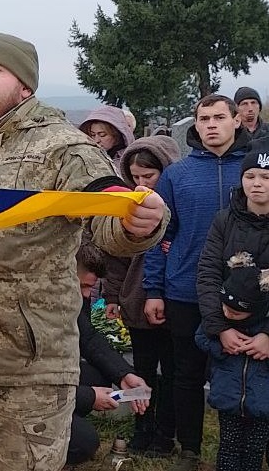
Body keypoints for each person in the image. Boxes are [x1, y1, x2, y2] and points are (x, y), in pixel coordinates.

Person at [0, 33, 168, 471]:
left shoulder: (62, 147)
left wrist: (137, 223)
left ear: (25, 86)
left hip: (25, 366)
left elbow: (107, 206)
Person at [143, 94, 250, 471]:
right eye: (204, 118)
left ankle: (238, 451)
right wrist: (154, 289)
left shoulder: (252, 171)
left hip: (245, 292)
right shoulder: (177, 174)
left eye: (219, 117)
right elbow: (157, 235)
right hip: (185, 289)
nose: (211, 125)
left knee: (240, 373)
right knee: (185, 374)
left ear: (237, 120)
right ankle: (189, 448)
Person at [102, 135, 182, 456]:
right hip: (135, 303)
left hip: (171, 301)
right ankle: (142, 428)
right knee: (142, 371)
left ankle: (166, 433)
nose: (141, 183)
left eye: (148, 176)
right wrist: (111, 297)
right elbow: (114, 257)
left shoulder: (176, 205)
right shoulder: (128, 206)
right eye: (134, 177)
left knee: (172, 371)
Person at [68, 239, 149, 465]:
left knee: (98, 375)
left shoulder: (75, 298)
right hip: (24, 391)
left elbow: (89, 337)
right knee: (85, 443)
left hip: (53, 384)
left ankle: (64, 418)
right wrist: (89, 397)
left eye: (90, 288)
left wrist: (124, 374)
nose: (86, 295)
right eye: (83, 286)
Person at [195, 254, 269, 471]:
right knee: (228, 446)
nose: (227, 313)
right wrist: (222, 346)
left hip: (262, 404)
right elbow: (200, 337)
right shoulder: (220, 322)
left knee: (254, 450)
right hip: (228, 399)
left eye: (235, 312)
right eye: (224, 307)